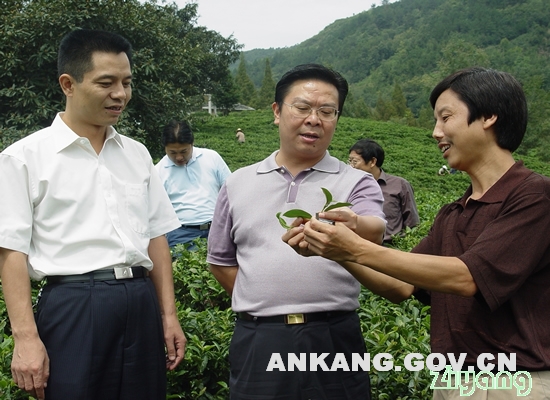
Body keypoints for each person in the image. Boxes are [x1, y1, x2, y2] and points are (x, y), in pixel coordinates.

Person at [290, 67, 550, 399]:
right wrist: (333, 247)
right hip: (453, 381)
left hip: (513, 383)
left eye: (445, 117)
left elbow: (468, 278)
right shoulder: (453, 214)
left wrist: (354, 248)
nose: (435, 132)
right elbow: (402, 286)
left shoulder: (534, 197)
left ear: (488, 116)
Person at [0, 29, 186, 400]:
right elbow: (10, 251)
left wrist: (168, 315)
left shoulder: (136, 154)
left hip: (138, 298)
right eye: (107, 83)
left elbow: (156, 238)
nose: (121, 94)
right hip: (73, 305)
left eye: (127, 82)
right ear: (68, 84)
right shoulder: (23, 158)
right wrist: (25, 337)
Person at [207, 63, 386, 399]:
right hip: (260, 337)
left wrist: (354, 224)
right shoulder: (237, 182)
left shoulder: (357, 182)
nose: (314, 119)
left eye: (327, 111)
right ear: (277, 112)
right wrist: (265, 296)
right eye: (302, 107)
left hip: (333, 336)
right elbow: (220, 261)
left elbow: (374, 232)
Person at [156, 119, 231, 248]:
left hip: (217, 229)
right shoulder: (158, 171)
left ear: (192, 144)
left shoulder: (211, 157)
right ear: (165, 148)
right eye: (172, 153)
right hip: (181, 234)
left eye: (184, 151)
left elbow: (231, 190)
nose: (179, 157)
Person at [349, 138, 420, 244]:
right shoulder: (349, 185)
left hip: (389, 247)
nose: (351, 166)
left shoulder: (399, 185)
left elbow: (412, 223)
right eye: (349, 161)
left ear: (372, 162)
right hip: (355, 246)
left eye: (355, 162)